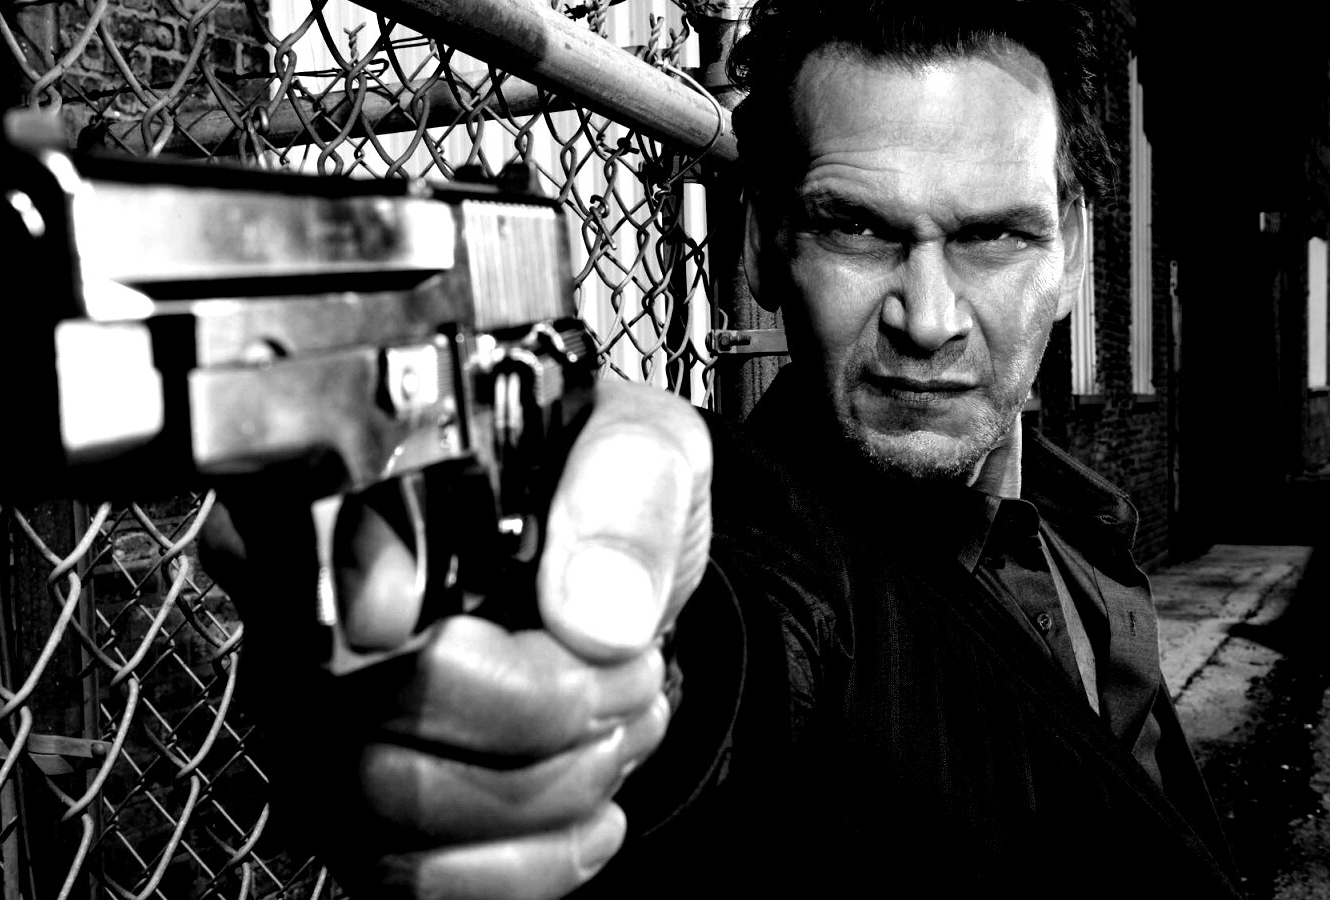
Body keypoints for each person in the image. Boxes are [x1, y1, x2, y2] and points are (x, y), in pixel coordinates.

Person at [200, 1, 1242, 896]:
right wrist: (594, 668)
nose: (927, 318)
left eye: (992, 237)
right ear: (762, 246)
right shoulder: (765, 562)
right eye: (857, 229)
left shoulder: (1078, 524)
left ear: (1070, 251)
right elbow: (740, 643)